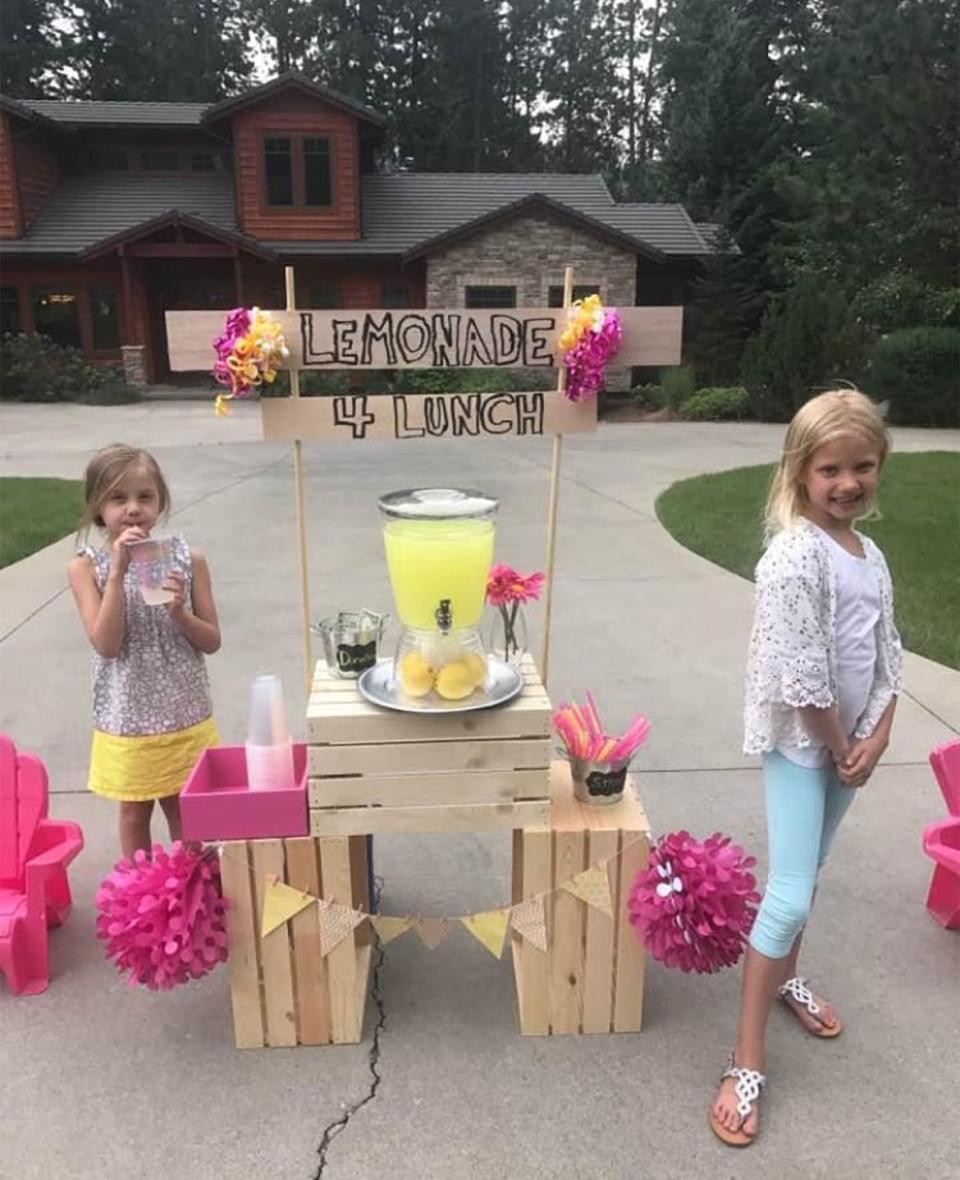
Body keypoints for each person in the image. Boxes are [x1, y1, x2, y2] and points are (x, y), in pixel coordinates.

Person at [709, 390, 902, 1146]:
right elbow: (804, 678)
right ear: (800, 471)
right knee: (787, 896)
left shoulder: (867, 551)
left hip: (850, 746)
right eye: (831, 469)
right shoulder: (795, 556)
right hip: (803, 745)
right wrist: (839, 742)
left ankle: (785, 977)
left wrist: (879, 734)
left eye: (863, 467)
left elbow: (888, 651)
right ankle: (744, 1059)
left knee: (810, 870)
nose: (848, 483)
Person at [68, 443, 221, 857]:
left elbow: (212, 641)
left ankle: (189, 893)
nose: (133, 509)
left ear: (160, 502)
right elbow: (106, 644)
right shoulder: (87, 568)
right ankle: (141, 901)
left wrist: (179, 613)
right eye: (118, 498)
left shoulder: (189, 560)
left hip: (183, 708)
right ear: (98, 507)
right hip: (128, 714)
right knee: (134, 812)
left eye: (144, 497)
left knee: (183, 808)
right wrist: (118, 575)